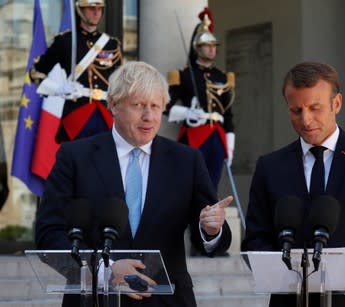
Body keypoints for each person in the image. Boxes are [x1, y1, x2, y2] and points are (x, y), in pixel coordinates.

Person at [35, 61, 233, 307]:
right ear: (113, 105)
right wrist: (103, 271)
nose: (148, 116)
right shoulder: (74, 157)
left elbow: (211, 241)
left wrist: (212, 230)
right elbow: (48, 233)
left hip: (167, 300)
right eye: (138, 105)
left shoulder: (187, 160)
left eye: (155, 106)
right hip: (95, 299)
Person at [241, 61, 345, 307]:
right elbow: (256, 238)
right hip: (291, 300)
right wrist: (283, 274)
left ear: (337, 104)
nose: (306, 119)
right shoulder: (270, 167)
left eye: (315, 108)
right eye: (296, 110)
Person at [30, 0, 122, 143]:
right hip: (77, 114)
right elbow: (36, 73)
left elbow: (120, 82)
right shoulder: (65, 41)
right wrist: (58, 89)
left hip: (106, 114)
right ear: (80, 10)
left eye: (99, 8)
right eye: (91, 8)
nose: (96, 12)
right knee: (77, 161)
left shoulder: (111, 44)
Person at [165, 8, 236, 191]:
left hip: (218, 135)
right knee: (191, 183)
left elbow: (228, 113)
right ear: (198, 47)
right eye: (208, 45)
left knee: (212, 185)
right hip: (195, 135)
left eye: (214, 45)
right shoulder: (185, 75)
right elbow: (166, 104)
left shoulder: (221, 76)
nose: (212, 49)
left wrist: (230, 145)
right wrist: (187, 112)